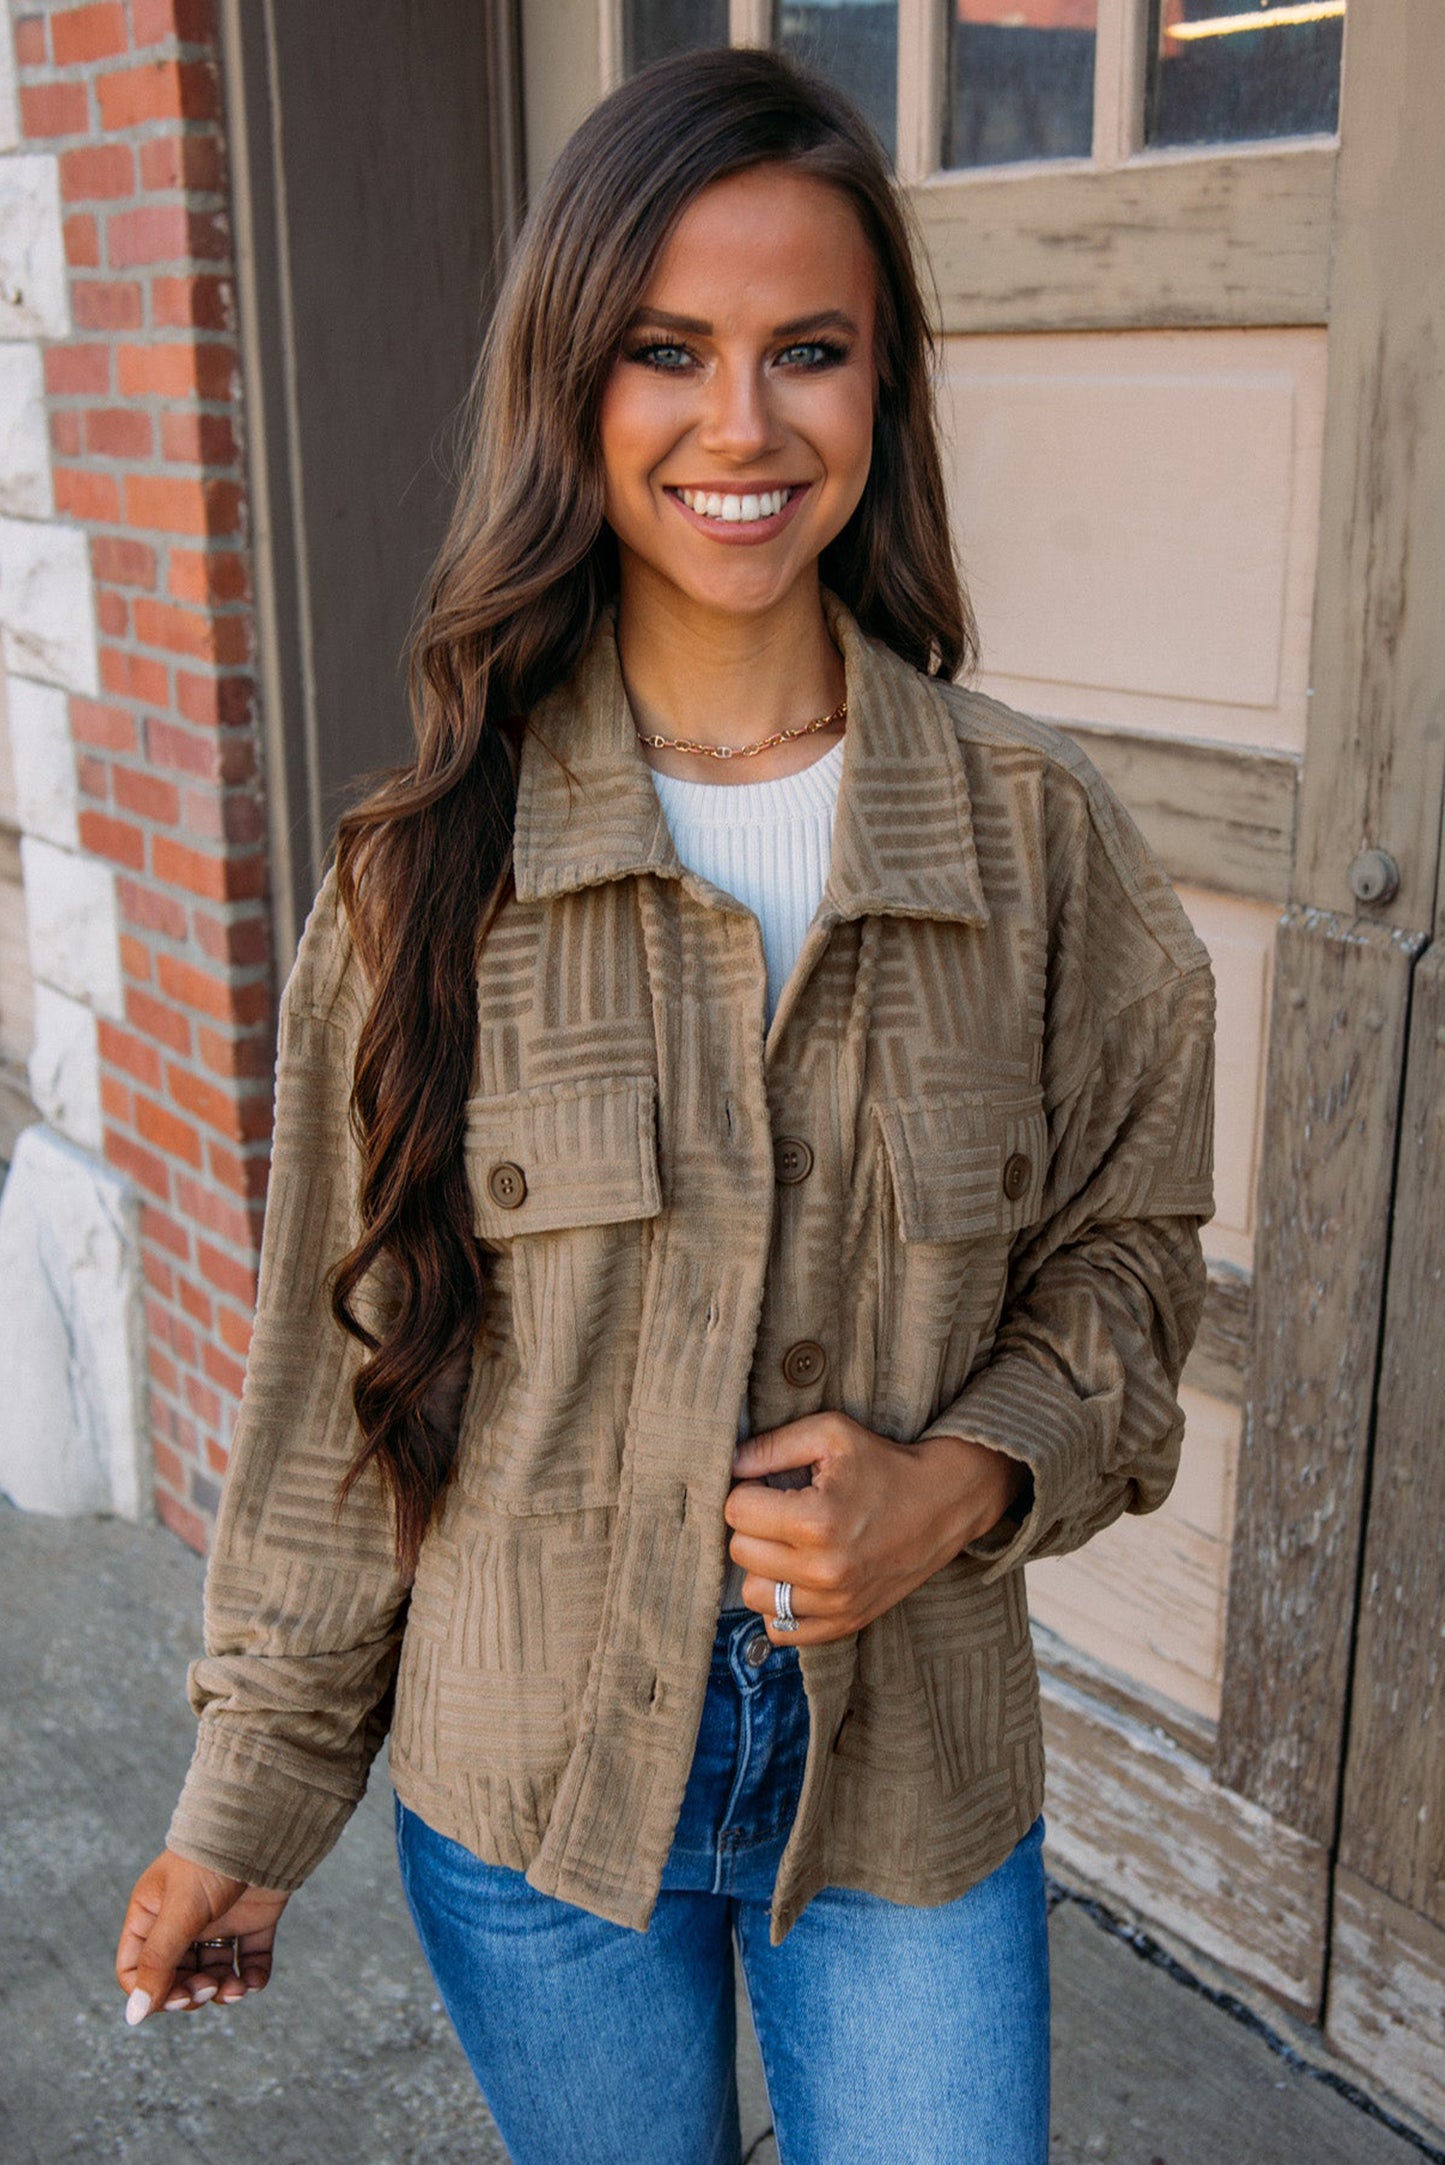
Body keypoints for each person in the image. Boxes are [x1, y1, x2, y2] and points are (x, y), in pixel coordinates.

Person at [115, 45, 1215, 2165]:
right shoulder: (424, 878)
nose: (742, 427)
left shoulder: (1039, 843)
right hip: (529, 1795)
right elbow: (341, 1373)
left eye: (808, 349)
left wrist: (959, 1482)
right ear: (571, 388)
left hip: (907, 1785)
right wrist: (255, 1797)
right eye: (665, 351)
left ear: (883, 384)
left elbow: (1130, 1266)